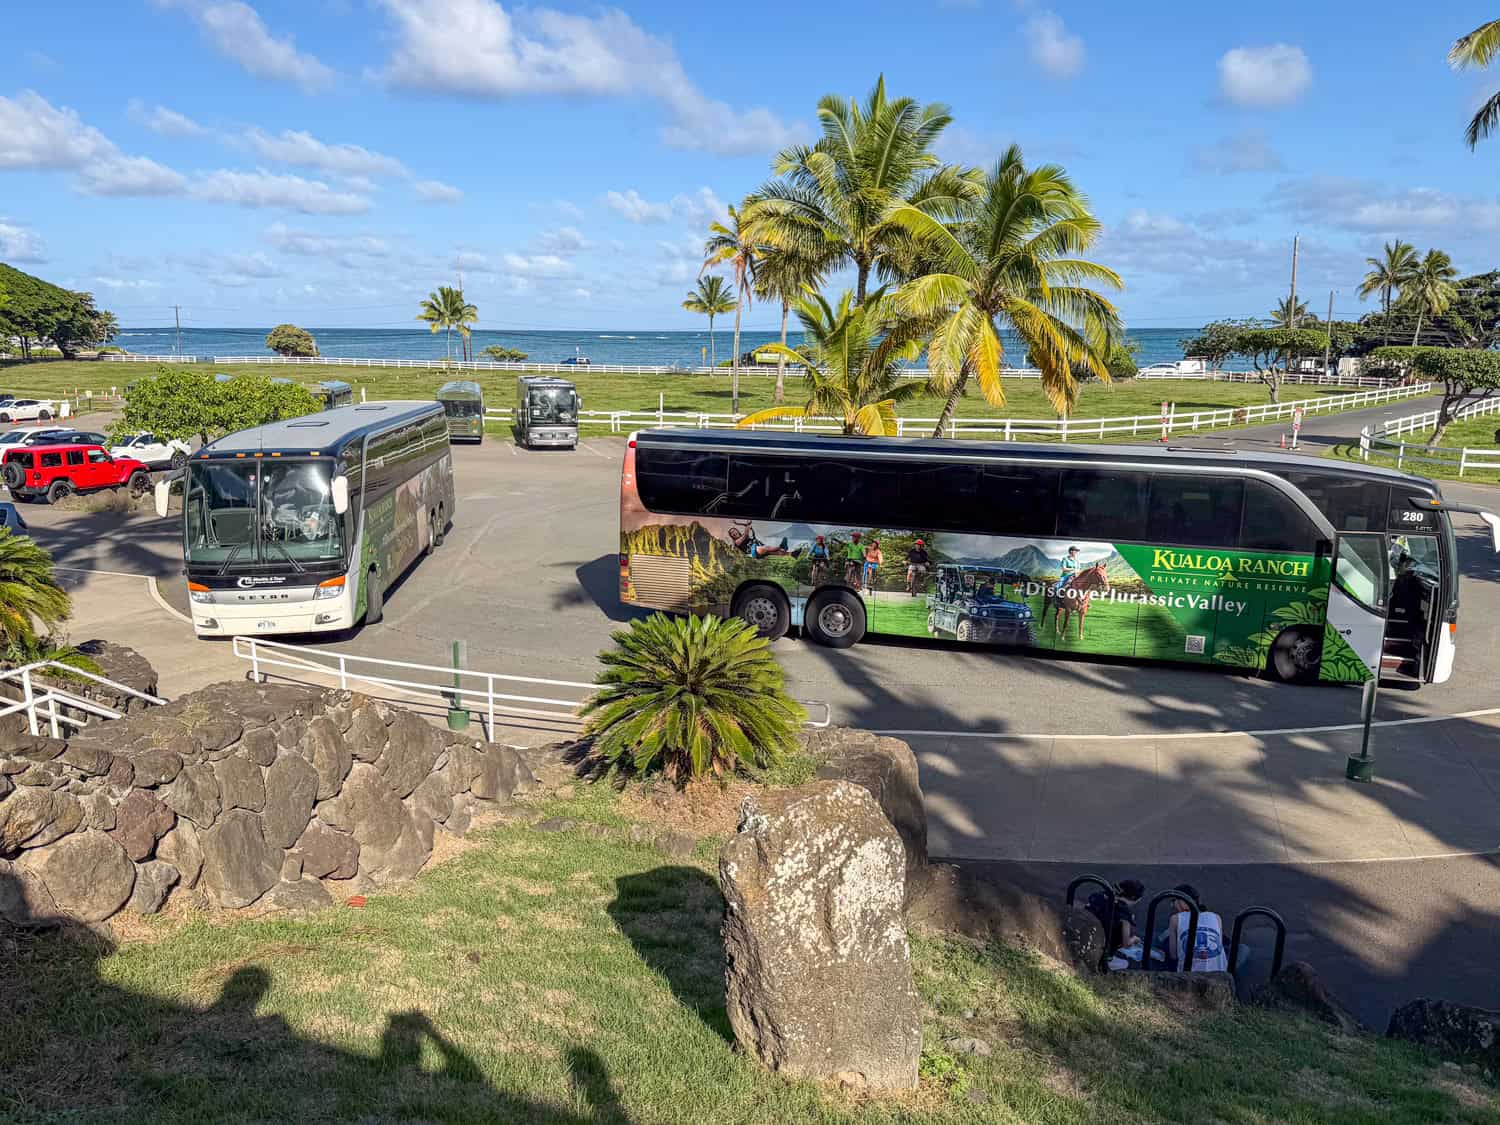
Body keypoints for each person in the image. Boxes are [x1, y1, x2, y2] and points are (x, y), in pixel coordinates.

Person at [1166, 883, 1229, 973]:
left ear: (1182, 901)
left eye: (1173, 901)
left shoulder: (1175, 919)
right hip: (1220, 974)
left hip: (1189, 976)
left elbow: (1173, 955)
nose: (1172, 905)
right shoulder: (1216, 917)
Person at [1087, 878, 1145, 956]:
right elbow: (1126, 943)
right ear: (1133, 898)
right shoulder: (1124, 913)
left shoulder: (1099, 895)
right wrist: (1135, 939)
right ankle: (1108, 959)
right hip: (1102, 947)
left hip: (1088, 936)